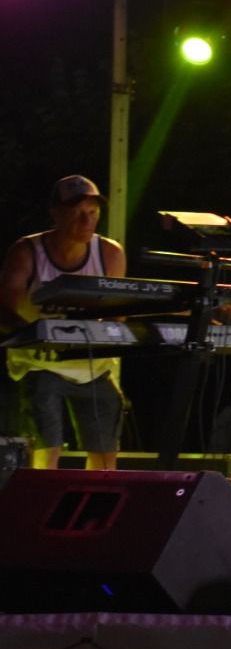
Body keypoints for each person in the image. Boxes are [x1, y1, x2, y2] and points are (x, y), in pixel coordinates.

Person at [0, 175, 126, 469]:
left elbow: (116, 315)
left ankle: (96, 498)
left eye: (93, 212)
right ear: (55, 214)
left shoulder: (109, 252)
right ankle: (41, 495)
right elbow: (4, 310)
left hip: (93, 366)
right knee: (46, 451)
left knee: (106, 458)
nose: (86, 220)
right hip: (40, 364)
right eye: (77, 212)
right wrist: (41, 336)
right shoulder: (27, 251)